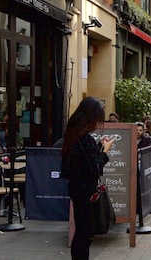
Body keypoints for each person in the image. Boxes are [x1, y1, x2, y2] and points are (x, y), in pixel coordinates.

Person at [61, 96, 115, 260]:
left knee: (83, 231)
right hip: (84, 191)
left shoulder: (74, 135)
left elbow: (84, 161)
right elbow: (95, 168)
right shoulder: (84, 139)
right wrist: (105, 151)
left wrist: (98, 146)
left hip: (77, 189)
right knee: (84, 233)